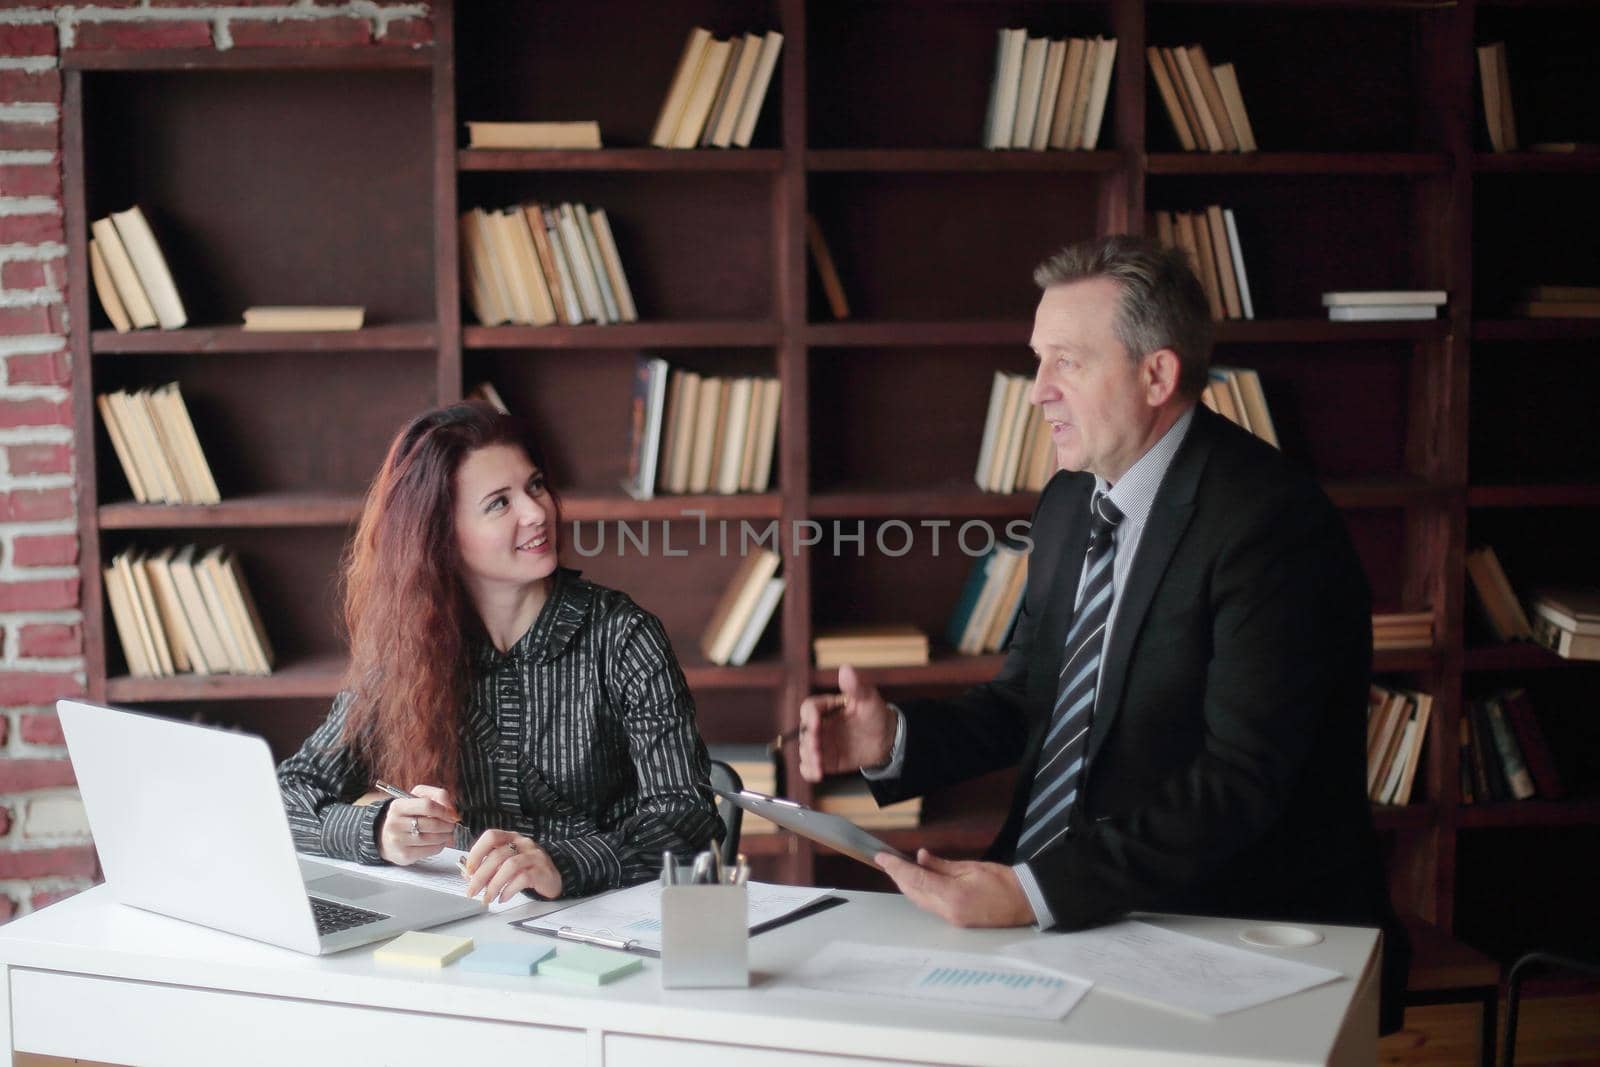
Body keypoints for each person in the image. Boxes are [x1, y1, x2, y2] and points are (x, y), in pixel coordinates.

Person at [799, 234, 1408, 1029]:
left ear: (1158, 374)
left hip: (1225, 927)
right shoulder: (1067, 502)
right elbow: (1028, 700)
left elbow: (1241, 782)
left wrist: (1034, 892)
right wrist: (890, 739)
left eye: (1067, 362)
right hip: (1072, 907)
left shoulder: (1270, 522)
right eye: (1037, 360)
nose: (1035, 391)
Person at [279, 401, 721, 903]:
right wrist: (377, 830)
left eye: (534, 487)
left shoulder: (623, 636)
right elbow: (286, 796)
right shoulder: (408, 652)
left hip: (614, 918)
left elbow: (690, 820)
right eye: (499, 503)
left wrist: (563, 863)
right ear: (441, 537)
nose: (537, 512)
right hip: (473, 926)